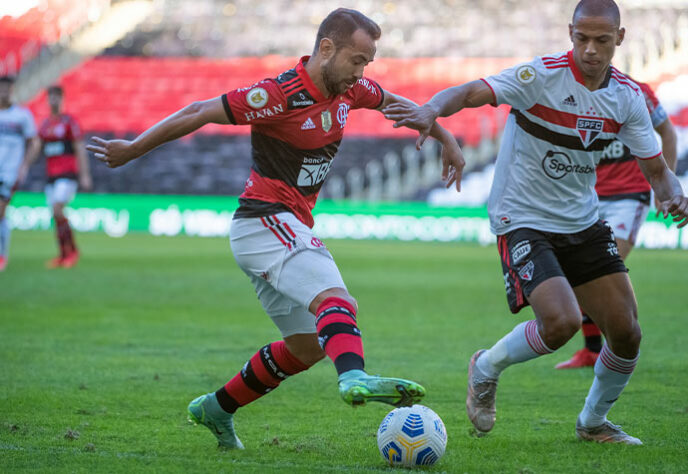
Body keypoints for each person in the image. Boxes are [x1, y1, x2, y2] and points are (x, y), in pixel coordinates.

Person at [86, 8, 465, 449]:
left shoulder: (351, 89)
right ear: (327, 48)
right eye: (357, 60)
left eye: (367, 63)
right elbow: (199, 110)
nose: (362, 72)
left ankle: (216, 408)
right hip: (265, 219)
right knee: (336, 299)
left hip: (279, 227)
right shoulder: (278, 93)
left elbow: (402, 107)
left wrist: (447, 139)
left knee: (308, 346)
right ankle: (354, 376)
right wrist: (133, 148)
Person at [383, 0, 688, 445]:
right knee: (561, 322)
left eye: (601, 40)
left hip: (582, 220)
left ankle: (592, 423)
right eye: (581, 38)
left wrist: (673, 197)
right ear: (570, 32)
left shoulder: (626, 98)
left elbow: (658, 171)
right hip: (522, 216)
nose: (590, 49)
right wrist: (432, 108)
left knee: (626, 332)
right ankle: (485, 368)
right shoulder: (541, 76)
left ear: (619, 40)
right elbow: (472, 91)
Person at [556, 79, 678, 369]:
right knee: (580, 274)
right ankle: (593, 350)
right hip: (590, 197)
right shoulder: (573, 94)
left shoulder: (638, 92)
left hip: (629, 197)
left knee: (597, 271)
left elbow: (668, 134)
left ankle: (613, 346)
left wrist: (665, 187)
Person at [18, 85, 92, 268]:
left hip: (67, 174)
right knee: (55, 214)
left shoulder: (69, 122)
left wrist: (85, 175)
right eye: (51, 97)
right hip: (51, 175)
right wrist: (25, 165)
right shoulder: (46, 125)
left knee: (58, 209)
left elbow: (79, 148)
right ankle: (64, 253)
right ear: (47, 100)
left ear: (62, 99)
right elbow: (36, 147)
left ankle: (71, 252)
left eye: (57, 97)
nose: (53, 100)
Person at [0, 76, 40, 271]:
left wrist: (24, 166)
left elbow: (34, 142)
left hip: (9, 171)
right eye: (1, 88)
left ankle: (2, 256)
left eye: (7, 88)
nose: (4, 92)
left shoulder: (22, 116)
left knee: (0, 210)